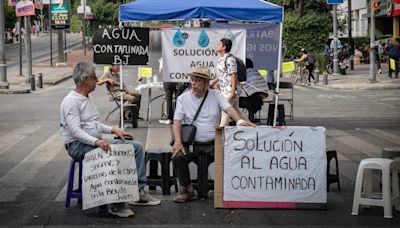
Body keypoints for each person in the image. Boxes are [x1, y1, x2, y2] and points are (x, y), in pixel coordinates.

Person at [60, 62, 160, 218]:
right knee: (116, 152)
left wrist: (113, 130)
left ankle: (139, 192)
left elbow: (95, 124)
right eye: (94, 77)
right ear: (86, 79)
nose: (97, 81)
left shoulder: (88, 97)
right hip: (77, 145)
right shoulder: (71, 101)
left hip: (93, 140)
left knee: (136, 147)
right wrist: (97, 142)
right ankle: (116, 203)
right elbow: (76, 131)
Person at [172, 66, 255, 203]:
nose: (193, 83)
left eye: (198, 81)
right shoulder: (183, 99)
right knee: (177, 157)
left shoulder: (215, 95)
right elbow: (177, 122)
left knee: (235, 156)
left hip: (214, 143)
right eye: (192, 80)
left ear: (206, 83)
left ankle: (231, 189)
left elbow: (229, 109)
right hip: (192, 144)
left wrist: (240, 121)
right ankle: (187, 189)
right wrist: (178, 142)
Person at [209, 38, 248, 127]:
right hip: (225, 91)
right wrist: (212, 82)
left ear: (224, 47)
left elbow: (233, 75)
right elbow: (221, 75)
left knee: (225, 111)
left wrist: (233, 91)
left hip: (230, 91)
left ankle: (221, 134)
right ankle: (252, 128)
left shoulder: (230, 59)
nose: (217, 46)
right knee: (236, 112)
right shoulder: (221, 59)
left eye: (219, 44)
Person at [239, 59, 269, 123]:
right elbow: (264, 90)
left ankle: (236, 119)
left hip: (244, 100)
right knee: (252, 99)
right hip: (258, 101)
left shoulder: (243, 73)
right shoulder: (256, 72)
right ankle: (251, 117)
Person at [159, 57, 182, 125]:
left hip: (168, 80)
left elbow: (160, 71)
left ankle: (170, 118)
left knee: (169, 99)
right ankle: (178, 117)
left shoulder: (163, 58)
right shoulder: (179, 57)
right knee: (178, 99)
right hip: (177, 79)